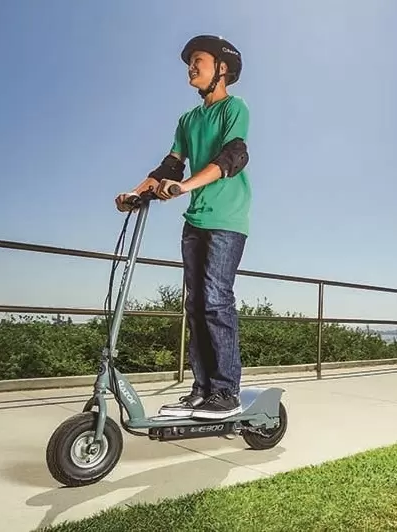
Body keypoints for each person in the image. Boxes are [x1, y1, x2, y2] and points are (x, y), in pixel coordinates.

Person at [115, 35, 251, 420]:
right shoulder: (187, 120)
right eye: (190, 62)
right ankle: (203, 388)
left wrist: (185, 186)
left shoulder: (234, 108)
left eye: (199, 60)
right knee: (194, 305)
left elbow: (233, 155)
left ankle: (226, 392)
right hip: (195, 221)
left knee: (215, 299)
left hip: (227, 220)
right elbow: (170, 167)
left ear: (221, 69)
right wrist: (136, 192)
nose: (191, 67)